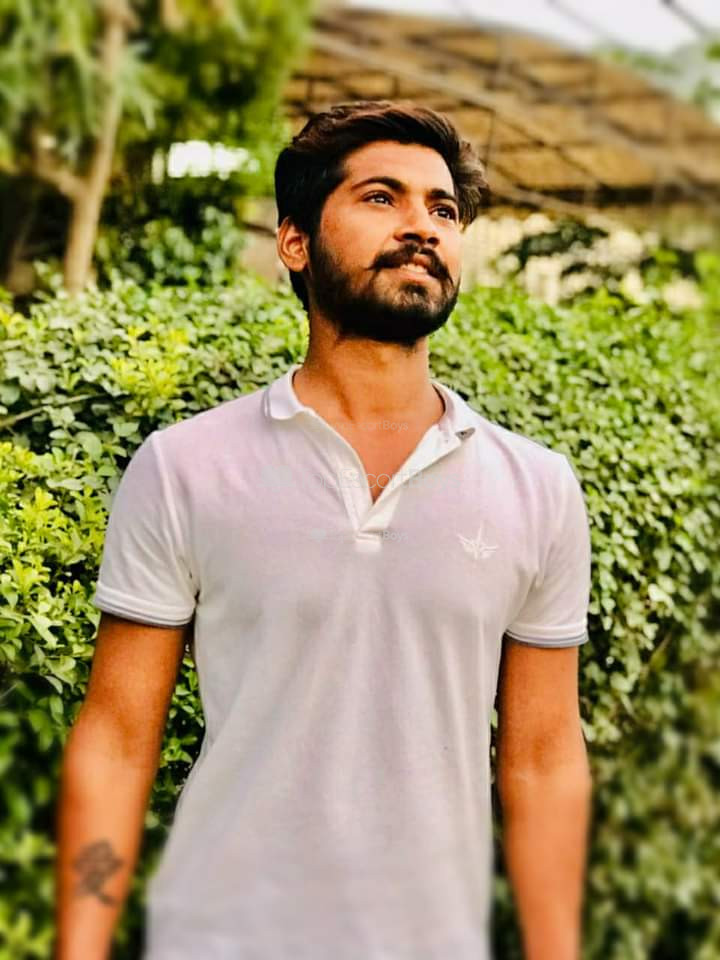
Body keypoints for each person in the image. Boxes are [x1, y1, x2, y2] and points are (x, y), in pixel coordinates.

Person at [55, 100, 593, 960]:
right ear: (295, 242)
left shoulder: (537, 488)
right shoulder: (186, 466)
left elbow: (544, 760)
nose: (422, 226)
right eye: (382, 197)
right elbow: (117, 744)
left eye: (442, 208)